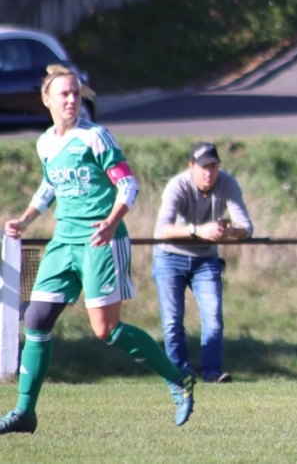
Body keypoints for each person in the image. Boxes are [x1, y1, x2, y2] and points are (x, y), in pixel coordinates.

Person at [0, 65, 194, 435]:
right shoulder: (45, 143)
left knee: (105, 330)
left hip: (100, 241)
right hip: (64, 241)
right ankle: (25, 412)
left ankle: (177, 377)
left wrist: (110, 220)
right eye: (64, 94)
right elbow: (50, 184)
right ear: (47, 100)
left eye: (76, 93)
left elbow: (129, 186)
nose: (72, 99)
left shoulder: (96, 137)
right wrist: (25, 219)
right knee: (37, 320)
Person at [153, 141, 253, 384]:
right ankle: (179, 373)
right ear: (191, 167)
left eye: (214, 166)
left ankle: (212, 373)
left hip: (206, 259)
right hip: (169, 257)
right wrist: (198, 230)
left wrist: (230, 234)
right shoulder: (177, 185)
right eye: (204, 167)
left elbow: (246, 227)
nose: (209, 172)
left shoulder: (227, 183)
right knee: (173, 320)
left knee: (213, 319)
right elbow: (162, 230)